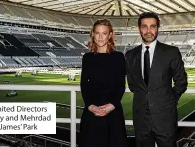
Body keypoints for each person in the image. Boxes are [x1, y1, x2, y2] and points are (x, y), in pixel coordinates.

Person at [125, 12, 188, 147]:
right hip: (141, 120)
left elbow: (181, 82)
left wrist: (168, 100)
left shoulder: (171, 52)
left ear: (158, 28)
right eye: (144, 26)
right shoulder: (130, 55)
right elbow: (132, 83)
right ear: (139, 28)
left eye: (152, 26)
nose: (148, 31)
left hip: (165, 118)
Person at [79, 19, 128, 147]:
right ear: (93, 34)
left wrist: (111, 105)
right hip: (92, 113)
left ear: (110, 35)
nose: (100, 37)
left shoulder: (119, 57)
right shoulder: (87, 58)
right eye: (97, 33)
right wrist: (90, 106)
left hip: (113, 113)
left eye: (104, 33)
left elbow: (121, 86)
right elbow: (84, 85)